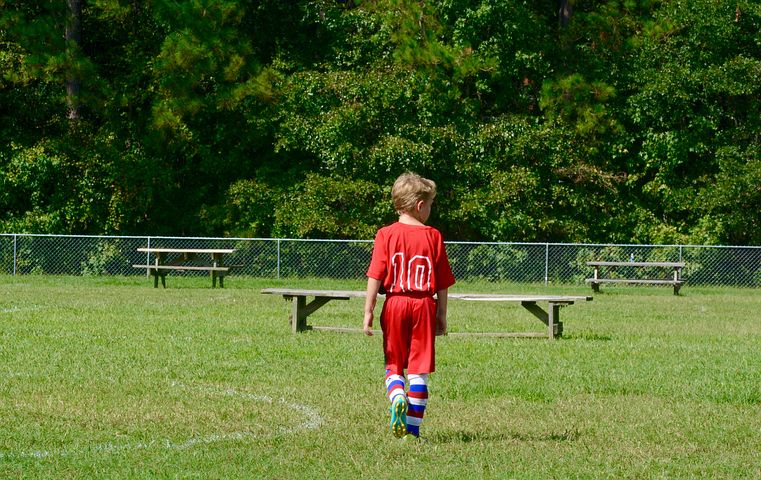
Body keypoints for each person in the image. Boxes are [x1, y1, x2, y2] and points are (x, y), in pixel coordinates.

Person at [363, 172, 456, 440]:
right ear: (419, 205)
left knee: (394, 365)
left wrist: (368, 311)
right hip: (424, 305)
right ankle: (412, 433)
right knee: (419, 371)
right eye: (430, 205)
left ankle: (396, 396)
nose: (430, 210)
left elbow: (375, 275)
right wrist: (441, 314)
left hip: (394, 304)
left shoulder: (385, 234)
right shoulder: (433, 236)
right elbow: (442, 282)